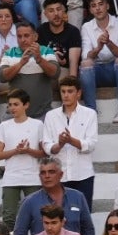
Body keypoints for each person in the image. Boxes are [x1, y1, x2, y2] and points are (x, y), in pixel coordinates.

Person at [42, 73, 99, 204]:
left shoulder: (90, 114)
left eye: (70, 91)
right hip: (58, 176)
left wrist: (70, 140)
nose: (66, 95)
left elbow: (91, 144)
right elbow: (47, 146)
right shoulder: (51, 116)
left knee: (83, 217)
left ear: (78, 93)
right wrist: (60, 144)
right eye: (63, 91)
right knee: (57, 215)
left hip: (83, 175)